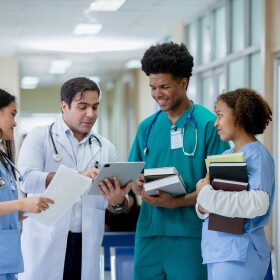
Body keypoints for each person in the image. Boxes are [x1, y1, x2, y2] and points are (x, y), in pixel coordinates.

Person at [128, 42, 230, 280]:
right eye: (152, 87)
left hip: (190, 234)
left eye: (164, 86)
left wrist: (176, 203)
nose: (157, 94)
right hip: (150, 233)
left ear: (183, 83)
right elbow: (134, 177)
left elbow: (222, 187)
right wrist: (138, 184)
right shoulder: (147, 127)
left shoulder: (209, 124)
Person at [17, 77, 131, 280]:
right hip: (45, 243)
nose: (91, 114)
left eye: (95, 107)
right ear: (64, 106)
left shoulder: (105, 147)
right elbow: (26, 178)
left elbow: (116, 204)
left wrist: (118, 201)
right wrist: (75, 178)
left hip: (86, 244)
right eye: (83, 107)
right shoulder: (40, 137)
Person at [196, 88, 274, 280]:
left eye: (220, 115)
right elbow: (207, 207)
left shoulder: (257, 155)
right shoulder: (225, 156)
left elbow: (258, 203)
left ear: (238, 117)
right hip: (218, 251)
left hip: (241, 253)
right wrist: (202, 205)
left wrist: (204, 192)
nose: (216, 123)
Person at [0, 89, 53, 280]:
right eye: (12, 114)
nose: (15, 123)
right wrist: (22, 204)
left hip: (7, 261)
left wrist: (30, 210)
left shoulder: (4, 160)